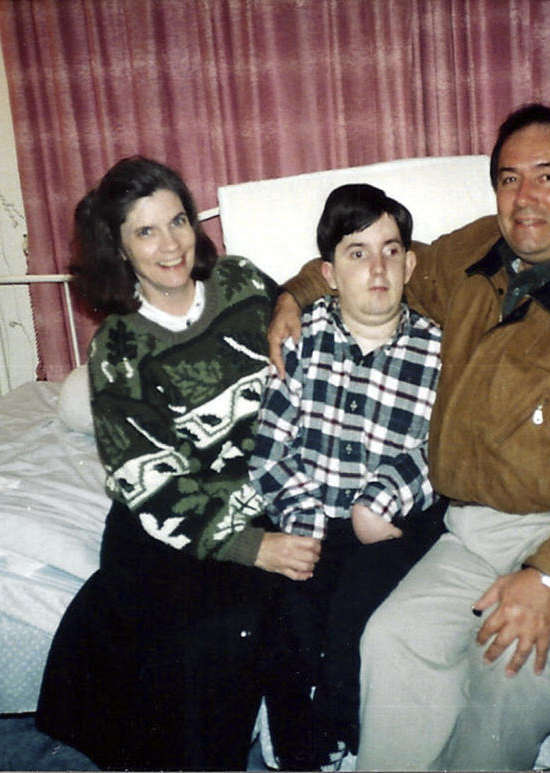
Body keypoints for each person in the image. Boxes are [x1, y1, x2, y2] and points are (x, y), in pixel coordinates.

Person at [266, 102, 550, 770]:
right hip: (470, 528)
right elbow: (378, 275)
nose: (524, 197)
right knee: (392, 638)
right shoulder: (477, 255)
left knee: (509, 667)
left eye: (547, 176)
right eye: (508, 178)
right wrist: (294, 297)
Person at [35, 156, 322, 771]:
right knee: (197, 635)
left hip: (262, 492)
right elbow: (147, 478)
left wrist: (294, 298)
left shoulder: (243, 283)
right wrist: (252, 546)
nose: (171, 245)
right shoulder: (117, 345)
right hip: (164, 512)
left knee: (264, 618)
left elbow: (316, 316)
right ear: (120, 247)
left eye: (178, 221)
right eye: (146, 231)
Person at [249, 183, 446, 770]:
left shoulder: (440, 349)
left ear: (411, 263)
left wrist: (379, 502)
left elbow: (446, 448)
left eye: (390, 250)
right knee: (284, 615)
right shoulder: (302, 340)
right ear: (329, 273)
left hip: (389, 523)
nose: (377, 268)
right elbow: (269, 449)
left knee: (358, 613)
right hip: (307, 512)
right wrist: (305, 523)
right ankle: (297, 745)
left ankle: (343, 720)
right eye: (357, 253)